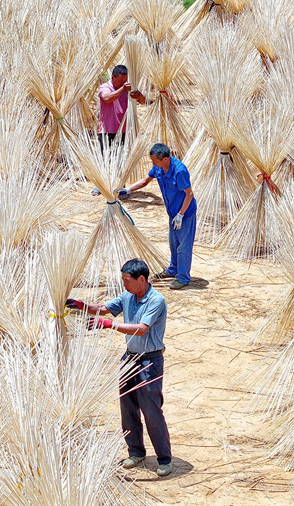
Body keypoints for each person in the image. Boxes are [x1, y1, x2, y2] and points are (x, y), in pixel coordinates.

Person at [66, 259, 173, 477]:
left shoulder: (156, 300)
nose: (124, 285)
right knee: (127, 406)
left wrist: (109, 325)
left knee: (151, 410)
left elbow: (141, 329)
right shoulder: (128, 296)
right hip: (129, 358)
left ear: (141, 279)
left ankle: (164, 458)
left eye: (127, 281)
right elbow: (103, 309)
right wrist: (80, 305)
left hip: (149, 361)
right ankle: (135, 452)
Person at [118, 143, 196, 290]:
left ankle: (183, 277)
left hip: (185, 213)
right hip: (172, 212)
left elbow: (189, 194)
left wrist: (181, 215)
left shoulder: (179, 171)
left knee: (183, 246)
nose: (153, 164)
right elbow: (144, 181)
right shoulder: (159, 167)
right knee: (173, 243)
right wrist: (128, 189)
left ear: (166, 159)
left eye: (155, 161)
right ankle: (173, 269)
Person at [97, 64, 145, 154]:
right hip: (108, 132)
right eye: (120, 81)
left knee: (122, 161)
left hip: (125, 132)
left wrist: (140, 96)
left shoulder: (128, 88)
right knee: (107, 162)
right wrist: (123, 89)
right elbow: (107, 98)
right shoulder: (105, 87)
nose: (123, 83)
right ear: (112, 77)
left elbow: (142, 101)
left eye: (125, 81)